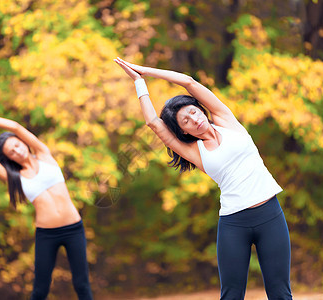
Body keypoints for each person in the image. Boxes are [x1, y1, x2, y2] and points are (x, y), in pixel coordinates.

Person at [114, 57, 292, 300]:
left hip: (270, 215)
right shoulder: (194, 152)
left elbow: (188, 82)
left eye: (193, 112)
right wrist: (139, 82)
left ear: (200, 109)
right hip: (233, 223)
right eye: (185, 122)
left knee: (280, 294)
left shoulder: (226, 120)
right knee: (230, 295)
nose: (193, 120)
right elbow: (153, 123)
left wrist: (145, 69)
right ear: (183, 131)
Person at [0, 106, 93, 300]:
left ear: (23, 142)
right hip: (47, 234)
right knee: (40, 290)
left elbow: (15, 126)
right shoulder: (15, 178)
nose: (17, 151)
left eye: (17, 145)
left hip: (74, 229)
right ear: (8, 158)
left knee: (82, 285)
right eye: (11, 152)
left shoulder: (44, 154)